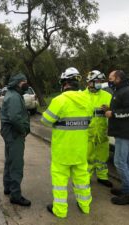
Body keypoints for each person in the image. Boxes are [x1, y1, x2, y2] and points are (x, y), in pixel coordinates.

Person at [41, 67, 93, 218]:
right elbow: (89, 121)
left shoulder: (59, 100)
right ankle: (85, 206)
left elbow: (45, 120)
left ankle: (60, 210)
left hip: (62, 151)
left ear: (64, 83)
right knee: (82, 179)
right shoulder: (87, 99)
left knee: (60, 182)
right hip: (80, 150)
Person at [104, 70, 129, 205]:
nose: (109, 80)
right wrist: (108, 109)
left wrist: (113, 114)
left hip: (125, 133)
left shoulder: (128, 91)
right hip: (123, 132)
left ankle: (128, 193)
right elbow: (122, 107)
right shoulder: (120, 90)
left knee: (119, 162)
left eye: (111, 78)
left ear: (118, 78)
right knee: (128, 161)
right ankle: (127, 188)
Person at [0, 73, 31, 206]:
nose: (26, 83)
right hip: (14, 133)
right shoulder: (14, 97)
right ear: (18, 83)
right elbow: (14, 118)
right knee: (16, 164)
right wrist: (23, 130)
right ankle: (15, 195)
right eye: (24, 81)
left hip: (9, 133)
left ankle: (8, 187)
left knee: (10, 161)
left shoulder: (13, 94)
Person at [84, 70, 113, 187]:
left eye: (101, 81)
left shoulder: (107, 96)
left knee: (102, 156)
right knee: (87, 157)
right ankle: (86, 178)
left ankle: (102, 177)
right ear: (89, 82)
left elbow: (112, 113)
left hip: (102, 133)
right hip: (87, 133)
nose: (99, 83)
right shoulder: (81, 96)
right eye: (97, 81)